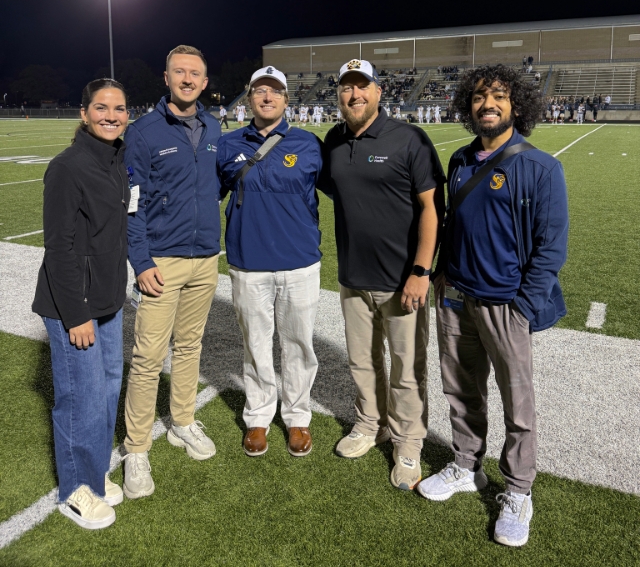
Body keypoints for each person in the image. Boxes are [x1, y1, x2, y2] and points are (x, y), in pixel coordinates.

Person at [418, 64, 568, 548]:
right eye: (480, 96)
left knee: (518, 405)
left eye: (499, 96)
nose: (488, 104)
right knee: (461, 391)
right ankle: (467, 465)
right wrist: (441, 271)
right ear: (469, 106)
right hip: (456, 298)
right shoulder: (461, 158)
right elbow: (453, 223)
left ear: (516, 105)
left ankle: (519, 490)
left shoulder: (540, 166)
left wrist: (523, 307)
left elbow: (552, 247)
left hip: (506, 306)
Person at [322, 59, 445, 490]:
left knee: (407, 370)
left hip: (402, 281)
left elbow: (432, 208)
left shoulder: (409, 138)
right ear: (338, 94)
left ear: (378, 92)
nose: (354, 95)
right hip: (353, 278)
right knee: (361, 362)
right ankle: (369, 423)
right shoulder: (333, 141)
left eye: (362, 86)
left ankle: (408, 441)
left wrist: (421, 271)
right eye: (346, 88)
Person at [122, 45, 222, 498]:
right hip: (161, 261)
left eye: (194, 74)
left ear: (204, 82)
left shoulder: (216, 127)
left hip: (205, 258)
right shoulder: (142, 132)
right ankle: (136, 448)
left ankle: (182, 420)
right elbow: (132, 204)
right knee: (147, 357)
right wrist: (141, 262)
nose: (187, 79)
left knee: (190, 346)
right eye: (179, 72)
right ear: (166, 77)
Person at [32, 78, 131, 529]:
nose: (111, 115)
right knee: (81, 399)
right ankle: (75, 490)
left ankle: (94, 473)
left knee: (108, 388)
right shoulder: (68, 167)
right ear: (84, 113)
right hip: (75, 306)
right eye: (102, 107)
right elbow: (59, 248)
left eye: (120, 108)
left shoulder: (116, 158)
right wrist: (77, 315)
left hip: (108, 298)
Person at [217, 65, 325, 458]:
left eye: (275, 91)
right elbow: (206, 196)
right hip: (248, 263)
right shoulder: (228, 146)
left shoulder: (310, 144)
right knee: (256, 345)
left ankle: (297, 417)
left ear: (285, 100)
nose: (267, 97)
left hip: (299, 263)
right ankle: (259, 415)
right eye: (259, 91)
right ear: (249, 99)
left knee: (298, 345)